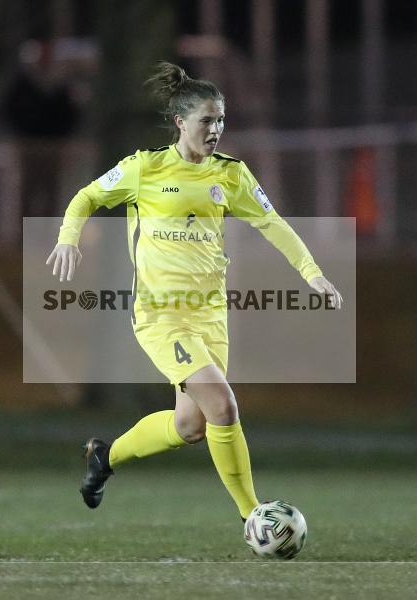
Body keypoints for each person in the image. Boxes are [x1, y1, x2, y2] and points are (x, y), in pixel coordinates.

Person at [46, 62, 340, 522]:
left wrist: (311, 272)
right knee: (222, 403)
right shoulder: (144, 168)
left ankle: (105, 458)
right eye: (207, 120)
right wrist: (68, 238)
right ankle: (253, 516)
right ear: (180, 122)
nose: (216, 129)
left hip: (211, 315)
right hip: (161, 315)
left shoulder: (231, 175)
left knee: (189, 425)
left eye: (221, 120)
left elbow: (272, 223)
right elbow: (86, 197)